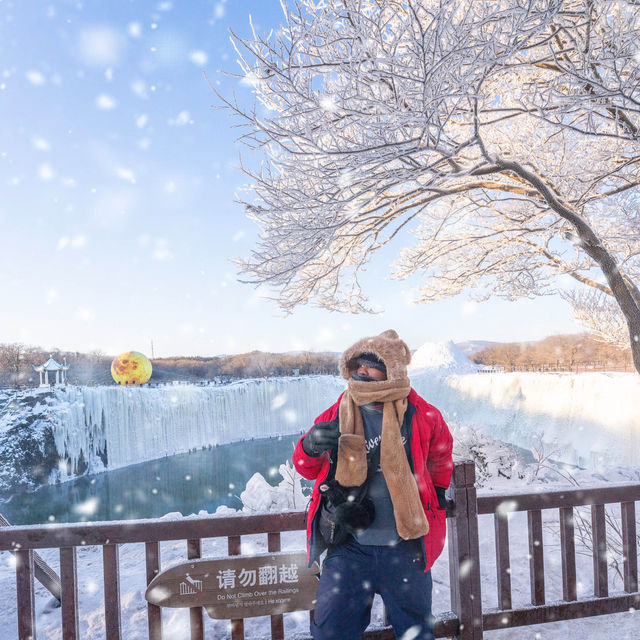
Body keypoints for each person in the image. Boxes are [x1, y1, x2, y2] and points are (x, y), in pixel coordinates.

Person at [293, 329, 454, 640]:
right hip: (349, 547)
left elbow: (441, 452)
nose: (362, 371)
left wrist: (436, 492)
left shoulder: (423, 415)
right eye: (358, 365)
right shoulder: (337, 411)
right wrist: (310, 445)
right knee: (330, 633)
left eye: (370, 365)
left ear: (391, 370)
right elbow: (305, 469)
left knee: (417, 634)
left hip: (406, 548)